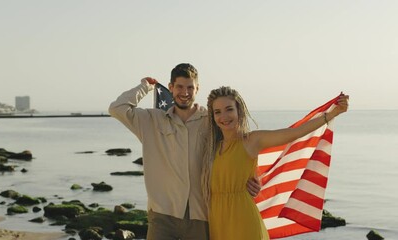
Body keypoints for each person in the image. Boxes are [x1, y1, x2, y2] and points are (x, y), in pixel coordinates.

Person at [108, 63, 261, 240]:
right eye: (179, 87)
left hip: (201, 215)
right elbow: (116, 108)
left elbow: (235, 150)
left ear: (197, 89)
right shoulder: (151, 120)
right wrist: (145, 87)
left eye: (190, 87)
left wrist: (251, 177)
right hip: (162, 215)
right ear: (171, 87)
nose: (185, 92)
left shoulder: (211, 120)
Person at [201, 86, 349, 240]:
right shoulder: (212, 148)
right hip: (218, 222)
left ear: (239, 111)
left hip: (243, 220)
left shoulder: (251, 141)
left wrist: (331, 114)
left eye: (229, 109)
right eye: (217, 112)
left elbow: (294, 133)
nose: (224, 116)